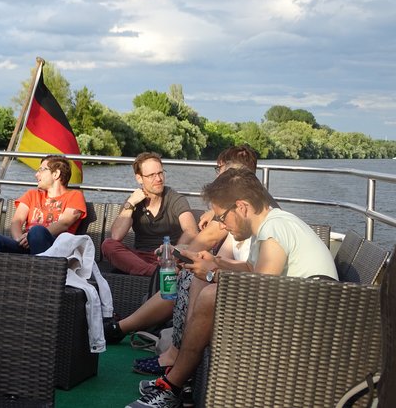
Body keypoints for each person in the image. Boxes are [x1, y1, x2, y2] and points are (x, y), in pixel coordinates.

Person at [126, 167, 338, 408]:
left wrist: (212, 274)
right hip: (301, 310)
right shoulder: (271, 225)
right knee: (201, 281)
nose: (222, 225)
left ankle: (172, 386)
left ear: (242, 207)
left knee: (212, 294)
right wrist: (214, 262)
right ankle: (184, 378)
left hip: (310, 328)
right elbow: (251, 269)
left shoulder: (274, 228)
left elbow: (261, 284)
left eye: (222, 217)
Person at [101, 152, 198, 276]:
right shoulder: (133, 202)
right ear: (139, 178)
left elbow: (191, 231)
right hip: (140, 257)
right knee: (108, 245)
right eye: (152, 175)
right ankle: (156, 273)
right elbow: (116, 236)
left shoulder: (175, 199)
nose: (158, 179)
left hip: (168, 256)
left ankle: (153, 272)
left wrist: (173, 252)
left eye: (160, 173)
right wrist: (131, 203)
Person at [0, 155, 86, 255]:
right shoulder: (32, 194)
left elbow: (65, 223)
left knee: (37, 231)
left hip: (54, 248)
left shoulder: (75, 196)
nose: (36, 174)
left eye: (41, 170)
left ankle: (37, 267)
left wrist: (31, 235)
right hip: (26, 245)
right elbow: (16, 222)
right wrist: (20, 240)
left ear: (56, 174)